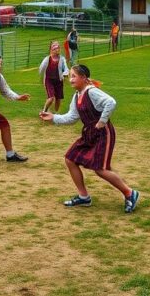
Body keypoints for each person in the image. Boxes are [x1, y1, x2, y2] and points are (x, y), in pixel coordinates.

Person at [40, 64, 140, 213]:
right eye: (69, 77)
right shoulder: (77, 95)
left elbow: (111, 102)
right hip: (89, 133)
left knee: (100, 169)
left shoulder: (91, 92)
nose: (71, 80)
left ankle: (130, 193)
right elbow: (72, 117)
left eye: (74, 76)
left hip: (103, 133)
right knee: (70, 159)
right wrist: (53, 117)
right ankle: (84, 196)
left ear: (84, 78)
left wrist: (102, 121)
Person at [39, 41, 70, 113]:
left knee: (58, 99)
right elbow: (41, 69)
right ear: (51, 50)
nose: (57, 50)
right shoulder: (47, 59)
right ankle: (44, 111)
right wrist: (42, 77)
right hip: (49, 80)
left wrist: (65, 73)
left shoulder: (62, 59)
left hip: (59, 81)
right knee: (51, 98)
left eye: (58, 48)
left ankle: (55, 114)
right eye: (55, 49)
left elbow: (66, 68)